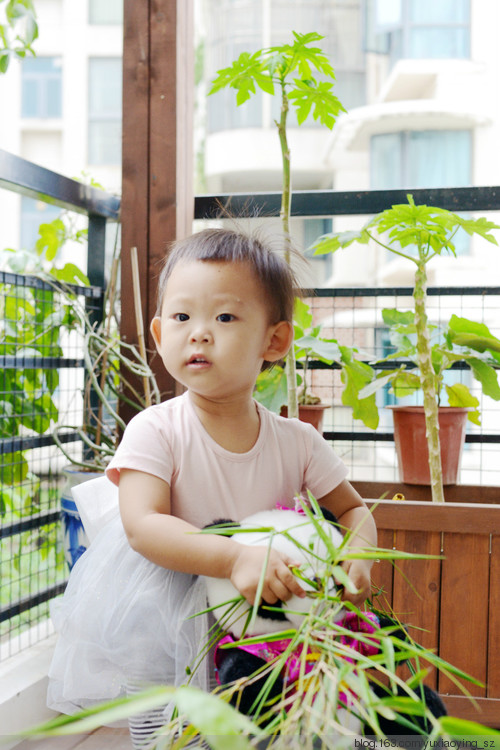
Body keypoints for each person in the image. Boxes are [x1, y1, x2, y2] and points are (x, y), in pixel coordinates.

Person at [47, 227, 377, 748]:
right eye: (182, 318)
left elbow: (355, 511)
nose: (198, 333)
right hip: (171, 616)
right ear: (159, 334)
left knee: (267, 729)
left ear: (274, 340)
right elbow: (143, 524)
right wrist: (230, 559)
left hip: (267, 615)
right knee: (174, 737)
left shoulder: (299, 442)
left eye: (224, 317)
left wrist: (358, 552)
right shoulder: (156, 430)